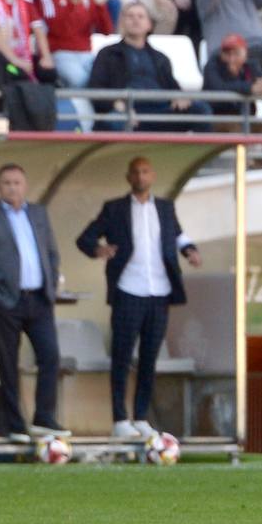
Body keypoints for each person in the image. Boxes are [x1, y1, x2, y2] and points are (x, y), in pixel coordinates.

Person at [77, 157, 201, 439]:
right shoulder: (115, 209)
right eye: (136, 172)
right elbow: (85, 238)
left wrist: (191, 251)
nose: (141, 176)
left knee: (149, 357)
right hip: (128, 289)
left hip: (159, 291)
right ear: (128, 177)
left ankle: (141, 416)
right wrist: (99, 250)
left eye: (145, 171)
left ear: (153, 175)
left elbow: (179, 236)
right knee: (121, 356)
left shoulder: (165, 208)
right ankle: (120, 418)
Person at [0, 163, 67, 442]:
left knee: (50, 356)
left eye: (17, 182)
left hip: (39, 299)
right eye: (6, 182)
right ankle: (15, 425)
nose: (12, 187)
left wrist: (52, 283)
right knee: (9, 364)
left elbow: (52, 253)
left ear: (25, 185)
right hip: (7, 301)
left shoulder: (38, 213)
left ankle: (44, 417)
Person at [88, 2, 211, 132]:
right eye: (130, 16)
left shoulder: (160, 58)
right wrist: (115, 103)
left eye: (140, 16)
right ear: (122, 22)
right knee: (114, 122)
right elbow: (95, 88)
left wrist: (179, 97)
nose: (135, 20)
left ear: (149, 24)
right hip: (128, 109)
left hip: (162, 110)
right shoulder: (108, 54)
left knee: (201, 110)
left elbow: (173, 88)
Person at [40, 0, 113, 112]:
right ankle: (89, 122)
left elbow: (107, 31)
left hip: (87, 54)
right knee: (81, 80)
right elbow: (56, 28)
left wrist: (100, 6)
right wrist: (74, 0)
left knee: (108, 78)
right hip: (61, 53)